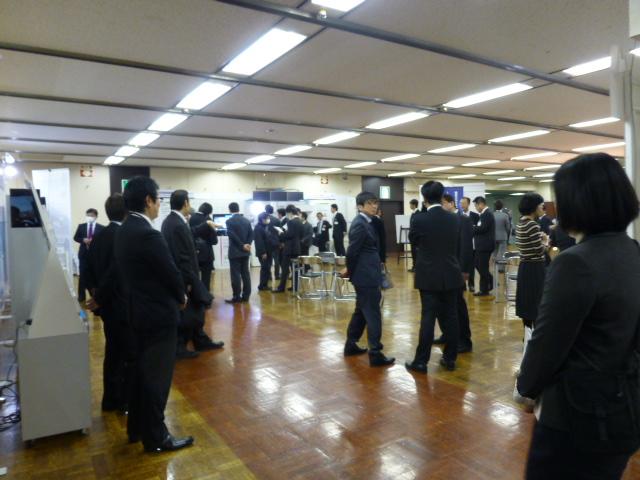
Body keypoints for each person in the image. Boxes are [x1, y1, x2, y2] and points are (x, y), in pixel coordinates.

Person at [517, 153, 640, 479]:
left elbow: (547, 343)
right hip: (623, 407)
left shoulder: (575, 262)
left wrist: (525, 387)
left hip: (576, 415)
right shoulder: (632, 250)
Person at [113, 176, 192, 453]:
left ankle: (137, 428)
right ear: (148, 200)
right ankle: (157, 437)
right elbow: (170, 272)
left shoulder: (125, 229)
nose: (159, 205)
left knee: (140, 375)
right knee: (157, 379)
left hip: (138, 313)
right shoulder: (148, 234)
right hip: (158, 316)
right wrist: (181, 296)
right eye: (158, 200)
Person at [406, 182, 463, 373]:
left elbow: (414, 241)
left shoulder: (419, 219)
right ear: (442, 196)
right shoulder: (454, 218)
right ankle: (450, 358)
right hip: (451, 273)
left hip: (428, 275)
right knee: (452, 317)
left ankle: (421, 361)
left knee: (428, 317)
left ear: (424, 198)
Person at [161, 190, 223, 359]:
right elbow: (182, 256)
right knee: (189, 312)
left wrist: (206, 224)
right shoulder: (177, 224)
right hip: (186, 276)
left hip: (185, 275)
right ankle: (180, 346)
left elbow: (190, 234)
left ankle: (200, 339)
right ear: (186, 203)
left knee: (196, 308)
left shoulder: (172, 221)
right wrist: (188, 281)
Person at [85, 194, 132, 413]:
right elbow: (115, 273)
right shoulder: (122, 236)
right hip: (120, 303)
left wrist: (95, 294)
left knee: (113, 352)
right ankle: (121, 400)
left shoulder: (99, 235)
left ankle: (110, 399)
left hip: (107, 306)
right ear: (127, 211)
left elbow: (87, 268)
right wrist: (99, 297)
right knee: (124, 354)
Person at [344, 192, 395, 367]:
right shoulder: (360, 224)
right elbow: (352, 251)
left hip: (367, 274)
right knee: (373, 313)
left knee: (361, 311)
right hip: (365, 276)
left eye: (375, 202)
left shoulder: (368, 222)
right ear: (360, 206)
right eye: (370, 203)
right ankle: (375, 353)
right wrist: (350, 271)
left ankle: (351, 344)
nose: (374, 206)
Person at [433, 193, 473, 353]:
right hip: (442, 270)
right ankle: (447, 334)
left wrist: (464, 270)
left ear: (451, 203)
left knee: (458, 306)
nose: (441, 207)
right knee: (442, 305)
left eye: (443, 203)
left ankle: (464, 339)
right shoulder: (442, 220)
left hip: (457, 270)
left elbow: (466, 247)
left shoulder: (463, 220)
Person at [515, 193, 548, 331]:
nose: (542, 208)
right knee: (537, 302)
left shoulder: (520, 222)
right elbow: (539, 251)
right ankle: (537, 334)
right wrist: (545, 241)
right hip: (535, 268)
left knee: (527, 302)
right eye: (541, 206)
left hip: (524, 266)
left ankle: (527, 334)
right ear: (534, 207)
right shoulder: (533, 225)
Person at [74, 208, 104, 302]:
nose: (89, 217)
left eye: (91, 215)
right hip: (83, 254)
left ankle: (94, 296)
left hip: (95, 256)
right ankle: (81, 296)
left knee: (94, 276)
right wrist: (83, 240)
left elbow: (103, 241)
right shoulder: (81, 226)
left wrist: (94, 241)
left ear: (96, 216)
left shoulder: (102, 228)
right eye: (88, 215)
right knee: (82, 275)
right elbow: (76, 237)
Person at [225, 202, 253, 304]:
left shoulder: (229, 221)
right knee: (246, 274)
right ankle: (246, 296)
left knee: (235, 275)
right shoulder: (246, 220)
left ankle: (236, 296)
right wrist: (247, 244)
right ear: (238, 209)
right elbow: (251, 234)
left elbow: (232, 235)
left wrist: (242, 245)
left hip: (235, 252)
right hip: (245, 252)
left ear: (229, 210)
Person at [189, 202, 218, 293]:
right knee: (206, 277)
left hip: (194, 251)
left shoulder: (191, 217)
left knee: (194, 276)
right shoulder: (208, 219)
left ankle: (195, 295)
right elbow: (214, 240)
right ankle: (205, 296)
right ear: (209, 212)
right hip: (207, 253)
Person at [274, 205, 303, 293]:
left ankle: (281, 287)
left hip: (289, 248)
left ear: (290, 212)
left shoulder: (291, 222)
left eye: (287, 213)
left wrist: (281, 233)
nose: (287, 215)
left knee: (285, 268)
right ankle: (295, 287)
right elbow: (300, 235)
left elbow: (289, 235)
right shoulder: (300, 221)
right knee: (295, 269)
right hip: (297, 248)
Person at [472, 196, 495, 297]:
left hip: (485, 246)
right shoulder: (484, 214)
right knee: (478, 265)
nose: (476, 208)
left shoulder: (487, 214)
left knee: (482, 267)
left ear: (481, 204)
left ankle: (485, 288)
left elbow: (483, 228)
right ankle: (488, 284)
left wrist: (473, 228)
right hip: (482, 245)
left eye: (476, 206)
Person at [254, 212, 279, 291]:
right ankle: (262, 285)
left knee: (267, 268)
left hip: (269, 251)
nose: (268, 220)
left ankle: (265, 284)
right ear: (262, 219)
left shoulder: (265, 226)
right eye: (267, 218)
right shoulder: (258, 228)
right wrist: (263, 252)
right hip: (263, 252)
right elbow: (259, 242)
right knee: (265, 269)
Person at [460, 197, 479, 292]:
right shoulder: (458, 216)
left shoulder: (475, 216)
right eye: (461, 203)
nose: (462, 205)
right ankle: (462, 284)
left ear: (468, 204)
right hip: (461, 245)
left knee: (471, 266)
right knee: (461, 265)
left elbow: (478, 229)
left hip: (472, 245)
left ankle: (471, 284)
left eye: (464, 203)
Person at [493, 200, 511, 273]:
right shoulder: (505, 215)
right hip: (503, 236)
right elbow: (508, 227)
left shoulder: (492, 215)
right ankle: (501, 269)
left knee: (495, 252)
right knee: (502, 253)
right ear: (502, 206)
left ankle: (495, 267)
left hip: (494, 237)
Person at [266, 205, 282, 281]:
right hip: (276, 242)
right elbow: (280, 232)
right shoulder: (277, 220)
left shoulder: (264, 219)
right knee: (277, 260)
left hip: (267, 243)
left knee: (268, 261)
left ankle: (269, 276)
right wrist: (280, 242)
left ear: (266, 210)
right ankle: (277, 275)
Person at [408, 198, 419, 272]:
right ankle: (414, 266)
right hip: (412, 238)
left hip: (416, 238)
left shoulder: (418, 213)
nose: (410, 206)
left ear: (414, 205)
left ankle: (417, 267)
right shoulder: (413, 213)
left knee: (416, 253)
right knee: (413, 253)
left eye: (410, 204)